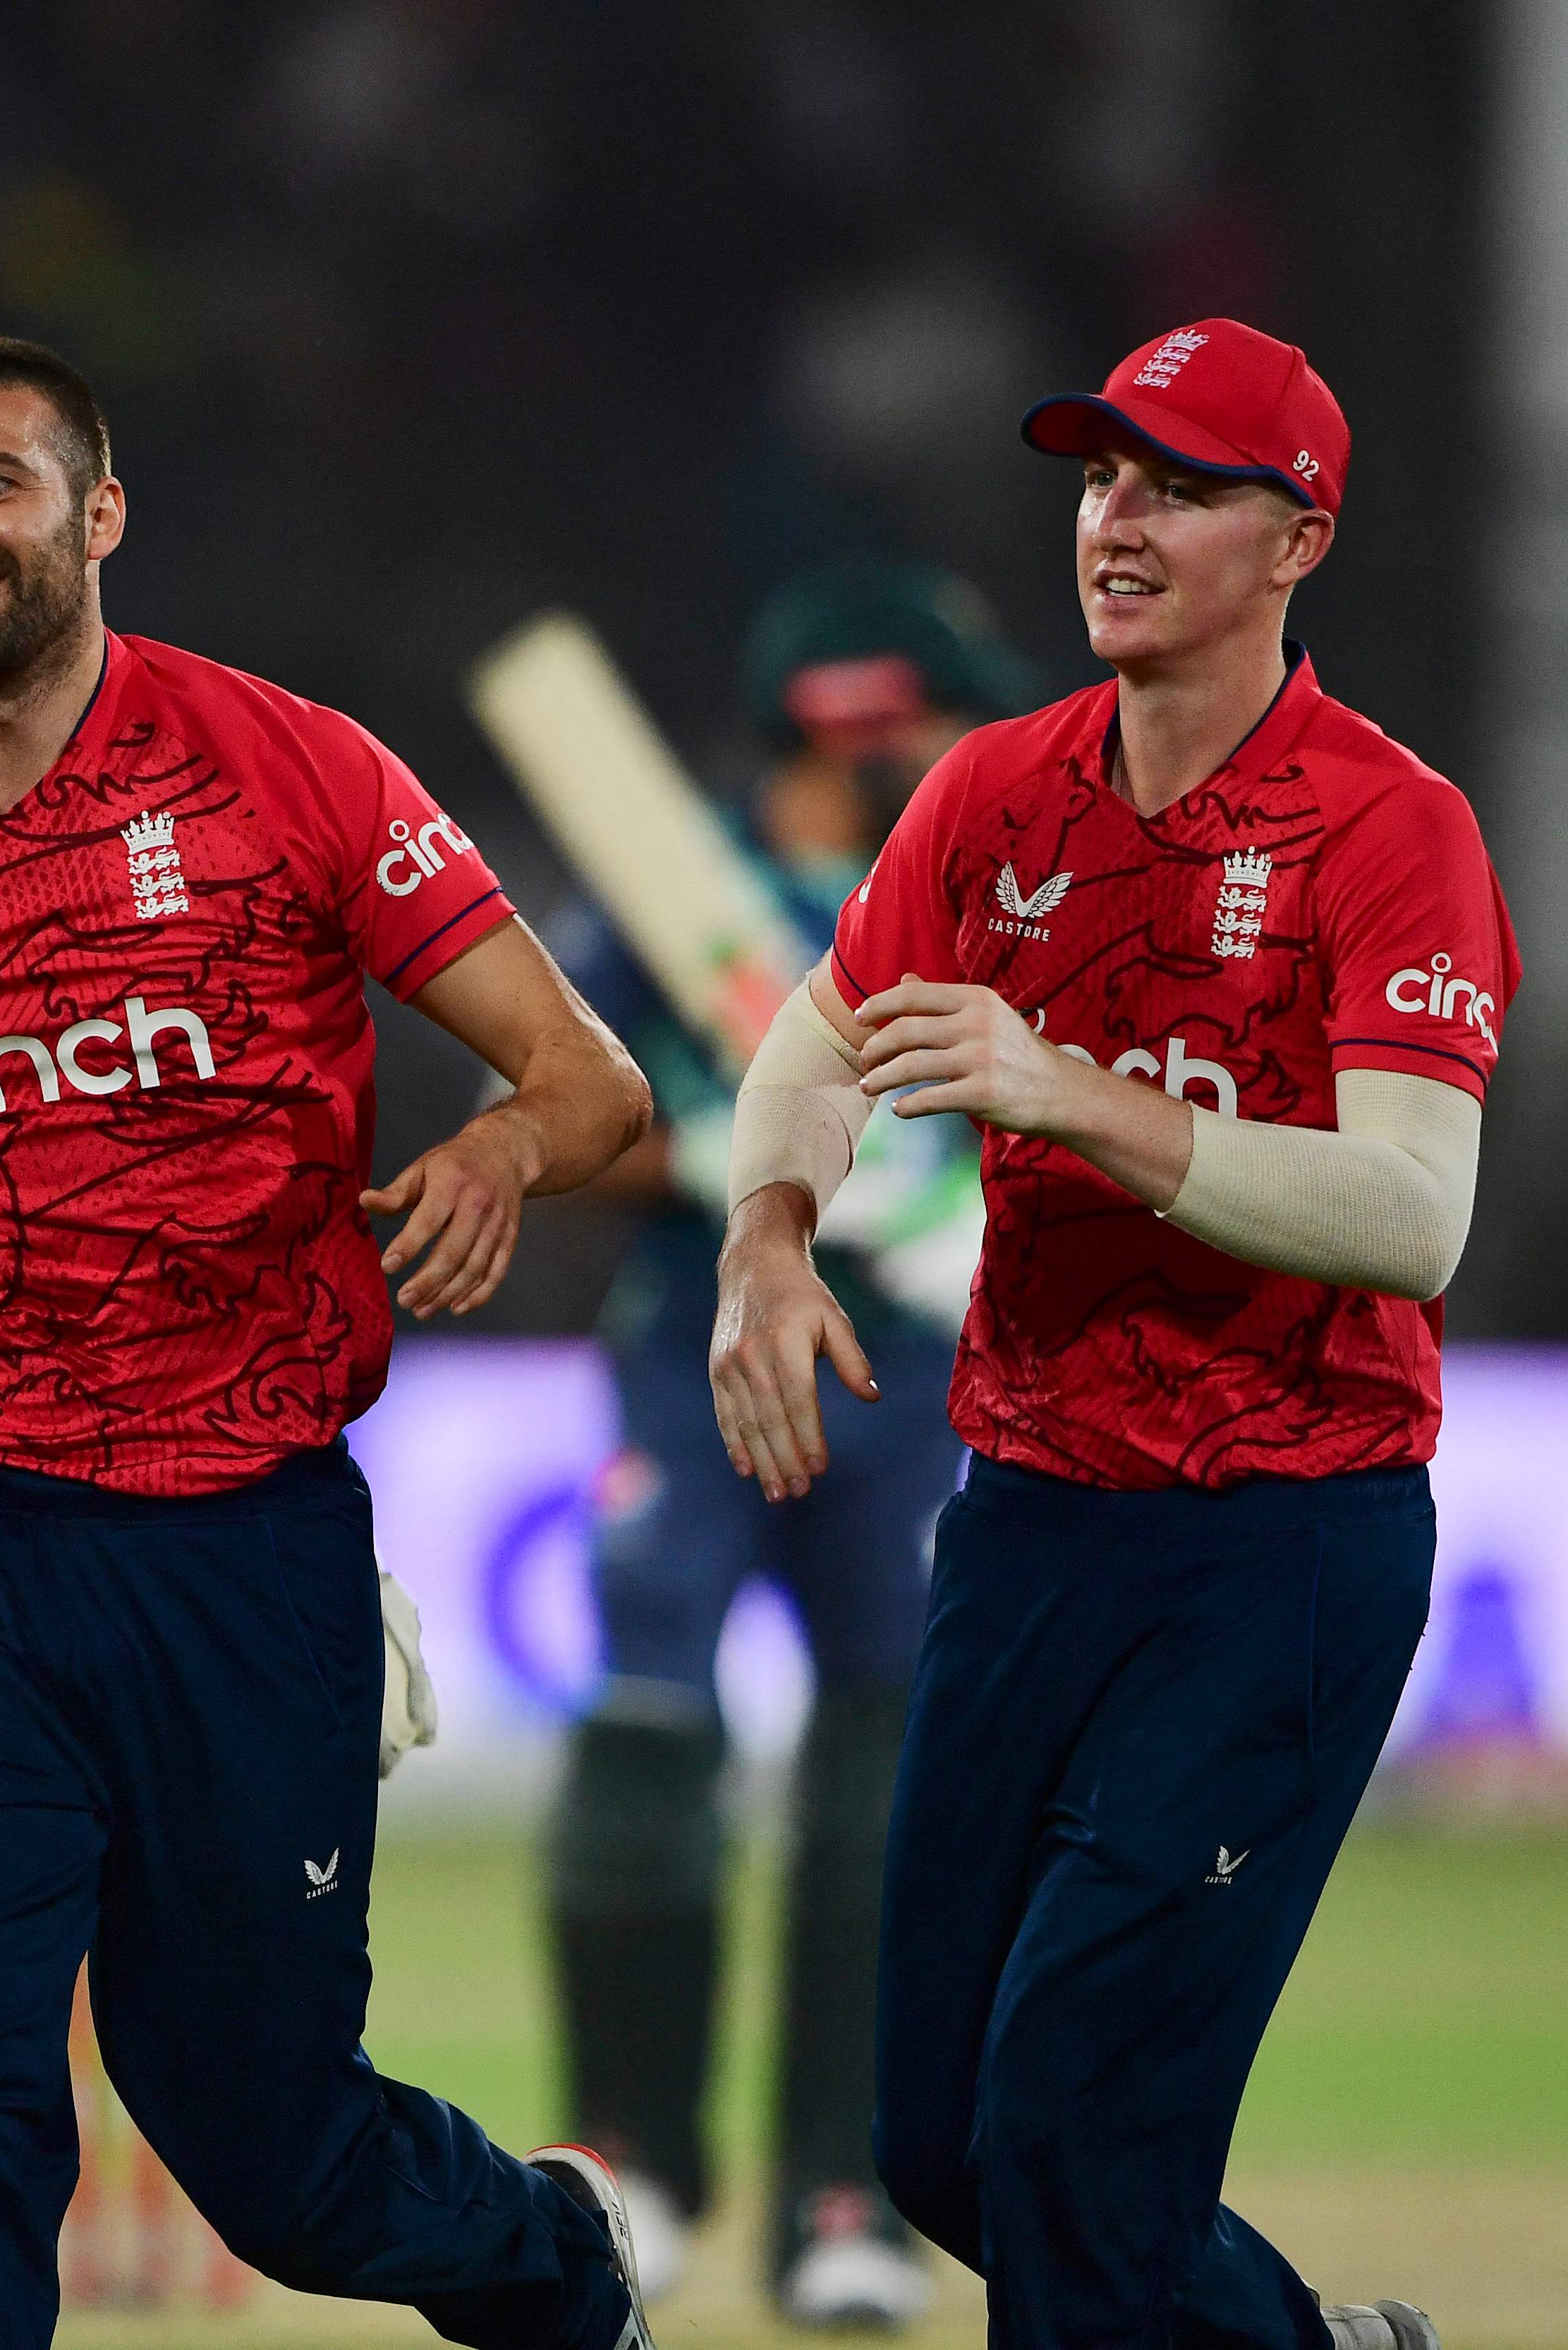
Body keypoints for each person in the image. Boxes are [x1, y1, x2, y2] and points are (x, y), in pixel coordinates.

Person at [0, 335, 662, 2350]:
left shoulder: (291, 765)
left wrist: (501, 1151)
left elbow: (595, 1081)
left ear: (96, 514)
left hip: (239, 1552)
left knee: (271, 2151)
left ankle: (545, 2257)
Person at [708, 319, 1514, 2350]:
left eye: (1174, 483)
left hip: (1276, 1540)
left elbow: (1410, 1216)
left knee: (1072, 2132)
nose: (1115, 518)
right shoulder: (993, 795)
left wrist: (1069, 1093)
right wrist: (767, 1230)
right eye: (1097, 479)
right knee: (940, 2149)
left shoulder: (1382, 826)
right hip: (1028, 1526)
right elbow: (812, 1041)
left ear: (1297, 538)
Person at [538, 560, 1021, 2327]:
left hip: (909, 1378)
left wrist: (964, 1209)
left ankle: (850, 2190)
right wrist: (742, 1171)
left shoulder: (983, 889)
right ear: (863, 718)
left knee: (884, 1763)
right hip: (699, 1353)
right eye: (950, 713)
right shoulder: (681, 899)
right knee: (649, 1721)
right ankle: (636, 2165)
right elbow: (573, 1118)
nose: (980, 744)